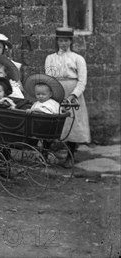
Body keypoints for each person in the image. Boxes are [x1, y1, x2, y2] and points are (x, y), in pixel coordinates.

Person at [45, 27, 90, 166]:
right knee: (52, 121)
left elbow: (82, 81)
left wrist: (73, 96)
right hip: (56, 93)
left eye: (66, 40)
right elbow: (49, 78)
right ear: (57, 41)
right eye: (60, 40)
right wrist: (53, 94)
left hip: (73, 94)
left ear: (71, 41)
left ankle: (70, 156)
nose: (63, 43)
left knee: (72, 123)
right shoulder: (50, 58)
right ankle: (46, 153)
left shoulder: (78, 59)